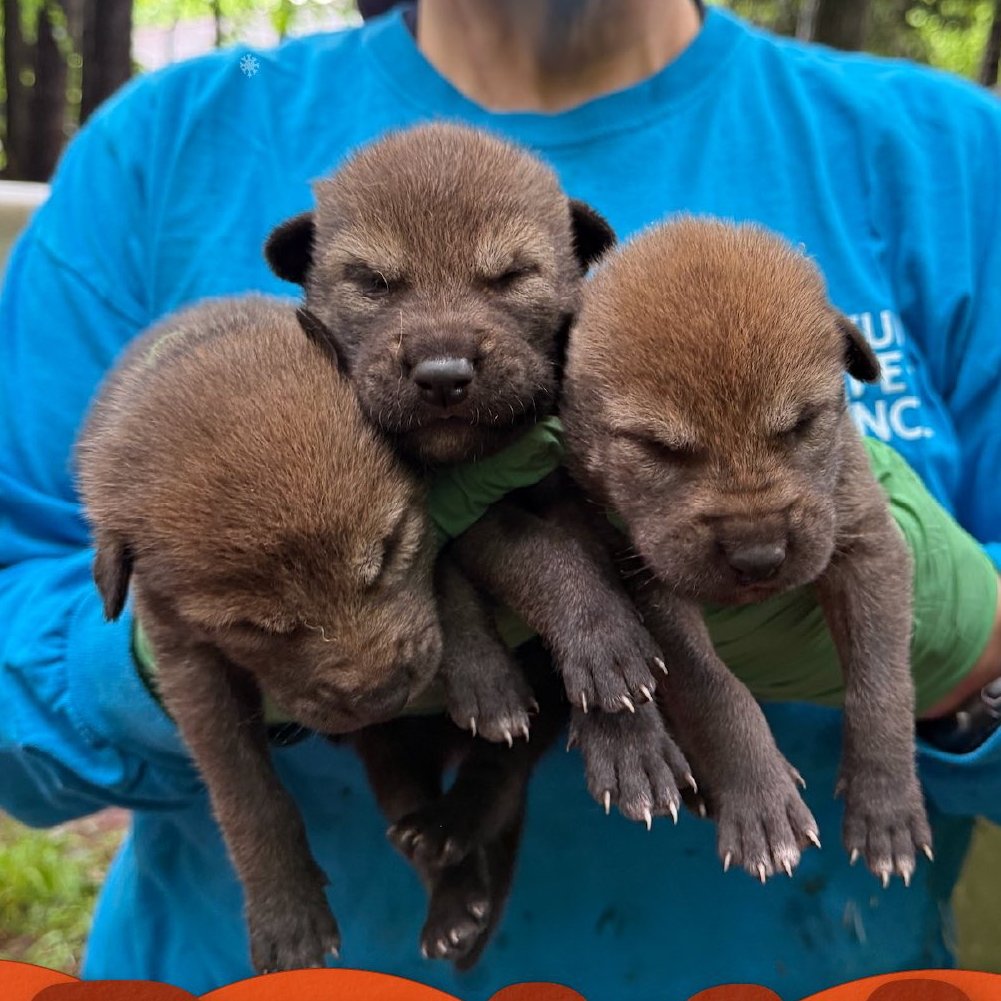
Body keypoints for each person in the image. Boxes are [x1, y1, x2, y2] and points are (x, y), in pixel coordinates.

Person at [2, 1, 1000, 998]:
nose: (441, 350)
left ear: (575, 270)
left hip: (824, 967)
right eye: (371, 287)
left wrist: (971, 654)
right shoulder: (162, 146)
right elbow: (20, 684)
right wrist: (188, 641)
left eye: (511, 278)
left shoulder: (948, 157)